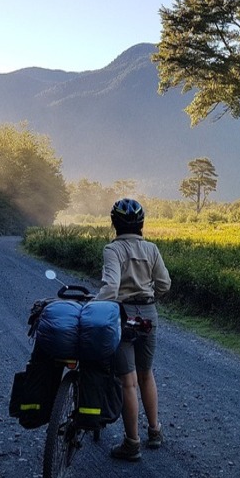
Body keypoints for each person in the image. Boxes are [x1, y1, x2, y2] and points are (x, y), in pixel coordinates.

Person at [96, 198, 171, 461]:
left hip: (122, 314)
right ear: (141, 224)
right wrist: (150, 298)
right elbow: (164, 284)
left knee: (127, 381)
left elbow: (110, 288)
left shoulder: (112, 250)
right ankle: (154, 431)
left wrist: (94, 306)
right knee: (146, 374)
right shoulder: (151, 249)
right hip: (149, 313)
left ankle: (131, 443)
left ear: (115, 223)